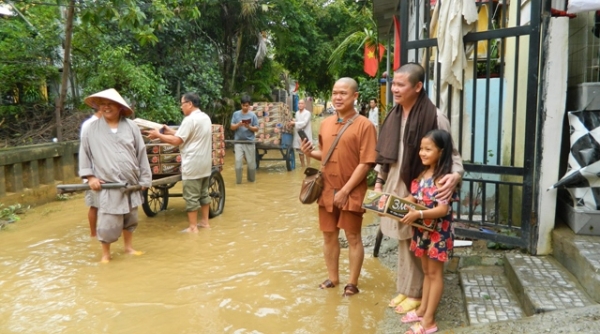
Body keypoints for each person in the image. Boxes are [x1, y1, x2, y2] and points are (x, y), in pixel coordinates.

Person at [374, 63, 463, 314]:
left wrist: (455, 176)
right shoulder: (394, 114)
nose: (394, 89)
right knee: (403, 239)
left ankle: (415, 292)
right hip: (396, 182)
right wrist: (380, 182)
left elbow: (451, 153)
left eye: (401, 85)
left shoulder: (434, 116)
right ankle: (406, 288)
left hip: (420, 185)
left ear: (418, 86)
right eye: (394, 84)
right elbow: (385, 155)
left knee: (414, 236)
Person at [300, 77, 377, 297]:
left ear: (355, 96)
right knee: (328, 235)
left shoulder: (365, 125)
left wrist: (345, 191)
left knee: (353, 237)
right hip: (327, 187)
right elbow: (325, 155)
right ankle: (333, 278)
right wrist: (309, 153)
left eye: (343, 93)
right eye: (335, 93)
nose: (338, 97)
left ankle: (352, 283)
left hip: (351, 190)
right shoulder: (325, 123)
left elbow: (367, 163)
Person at [79, 88, 152, 263]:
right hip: (108, 184)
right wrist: (90, 177)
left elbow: (141, 152)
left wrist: (145, 179)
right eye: (102, 104)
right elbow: (84, 154)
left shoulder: (131, 127)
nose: (106, 107)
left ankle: (128, 248)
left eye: (110, 104)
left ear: (119, 107)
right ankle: (106, 254)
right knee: (107, 221)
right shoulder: (91, 129)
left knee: (130, 217)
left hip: (131, 182)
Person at [399, 129, 457, 334]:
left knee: (434, 273)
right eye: (421, 149)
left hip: (437, 233)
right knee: (426, 272)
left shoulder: (443, 179)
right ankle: (423, 309)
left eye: (428, 149)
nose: (422, 153)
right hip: (423, 230)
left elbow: (442, 209)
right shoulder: (423, 174)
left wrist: (418, 216)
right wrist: (389, 205)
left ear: (441, 152)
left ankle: (429, 321)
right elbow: (413, 198)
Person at [146, 92, 213, 233]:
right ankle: (205, 223)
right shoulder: (205, 117)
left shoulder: (189, 120)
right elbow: (186, 135)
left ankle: (193, 227)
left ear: (189, 104)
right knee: (203, 193)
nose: (181, 107)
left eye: (182, 104)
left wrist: (158, 135)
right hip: (205, 164)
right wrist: (170, 131)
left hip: (192, 164)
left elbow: (177, 141)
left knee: (191, 197)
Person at [80, 109, 102, 238]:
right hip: (93, 172)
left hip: (106, 171)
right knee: (95, 205)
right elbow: (86, 150)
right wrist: (90, 176)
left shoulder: (104, 124)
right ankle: (93, 234)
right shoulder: (90, 125)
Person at [231, 95, 259, 184]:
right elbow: (232, 127)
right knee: (238, 162)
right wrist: (238, 124)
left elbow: (257, 128)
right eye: (244, 105)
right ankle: (238, 182)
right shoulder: (236, 114)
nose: (245, 107)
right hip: (238, 142)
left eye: (247, 106)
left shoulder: (253, 115)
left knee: (251, 164)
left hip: (249, 142)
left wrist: (249, 127)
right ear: (241, 105)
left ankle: (251, 181)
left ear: (249, 105)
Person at [289, 99, 313, 167]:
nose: (300, 105)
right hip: (298, 134)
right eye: (299, 103)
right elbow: (297, 121)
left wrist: (294, 123)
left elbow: (304, 123)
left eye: (302, 103)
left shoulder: (307, 113)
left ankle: (308, 165)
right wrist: (293, 122)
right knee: (300, 151)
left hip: (306, 134)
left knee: (307, 151)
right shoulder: (297, 113)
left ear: (305, 105)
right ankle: (303, 166)